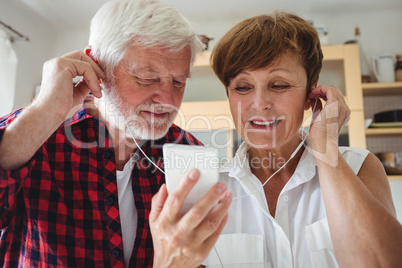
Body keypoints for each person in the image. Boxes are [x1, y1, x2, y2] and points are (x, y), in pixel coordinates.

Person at [0, 0, 232, 267]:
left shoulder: (190, 152)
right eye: (147, 78)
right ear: (97, 67)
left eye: (179, 81)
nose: (169, 99)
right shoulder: (33, 132)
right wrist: (46, 112)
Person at [201, 12, 402, 267]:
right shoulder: (207, 188)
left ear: (311, 94)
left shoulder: (359, 167)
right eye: (242, 87)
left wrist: (326, 147)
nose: (260, 103)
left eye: (280, 85)